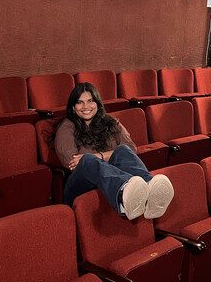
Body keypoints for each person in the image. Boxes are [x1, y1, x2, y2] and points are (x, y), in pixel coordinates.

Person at [55, 82, 174, 220]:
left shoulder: (110, 122)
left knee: (122, 150)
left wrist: (99, 156)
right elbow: (73, 162)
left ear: (98, 103)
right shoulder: (67, 127)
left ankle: (149, 189)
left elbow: (131, 148)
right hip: (79, 183)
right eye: (80, 102)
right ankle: (122, 195)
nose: (86, 107)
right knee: (88, 159)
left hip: (108, 175)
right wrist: (100, 157)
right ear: (73, 107)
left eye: (90, 101)